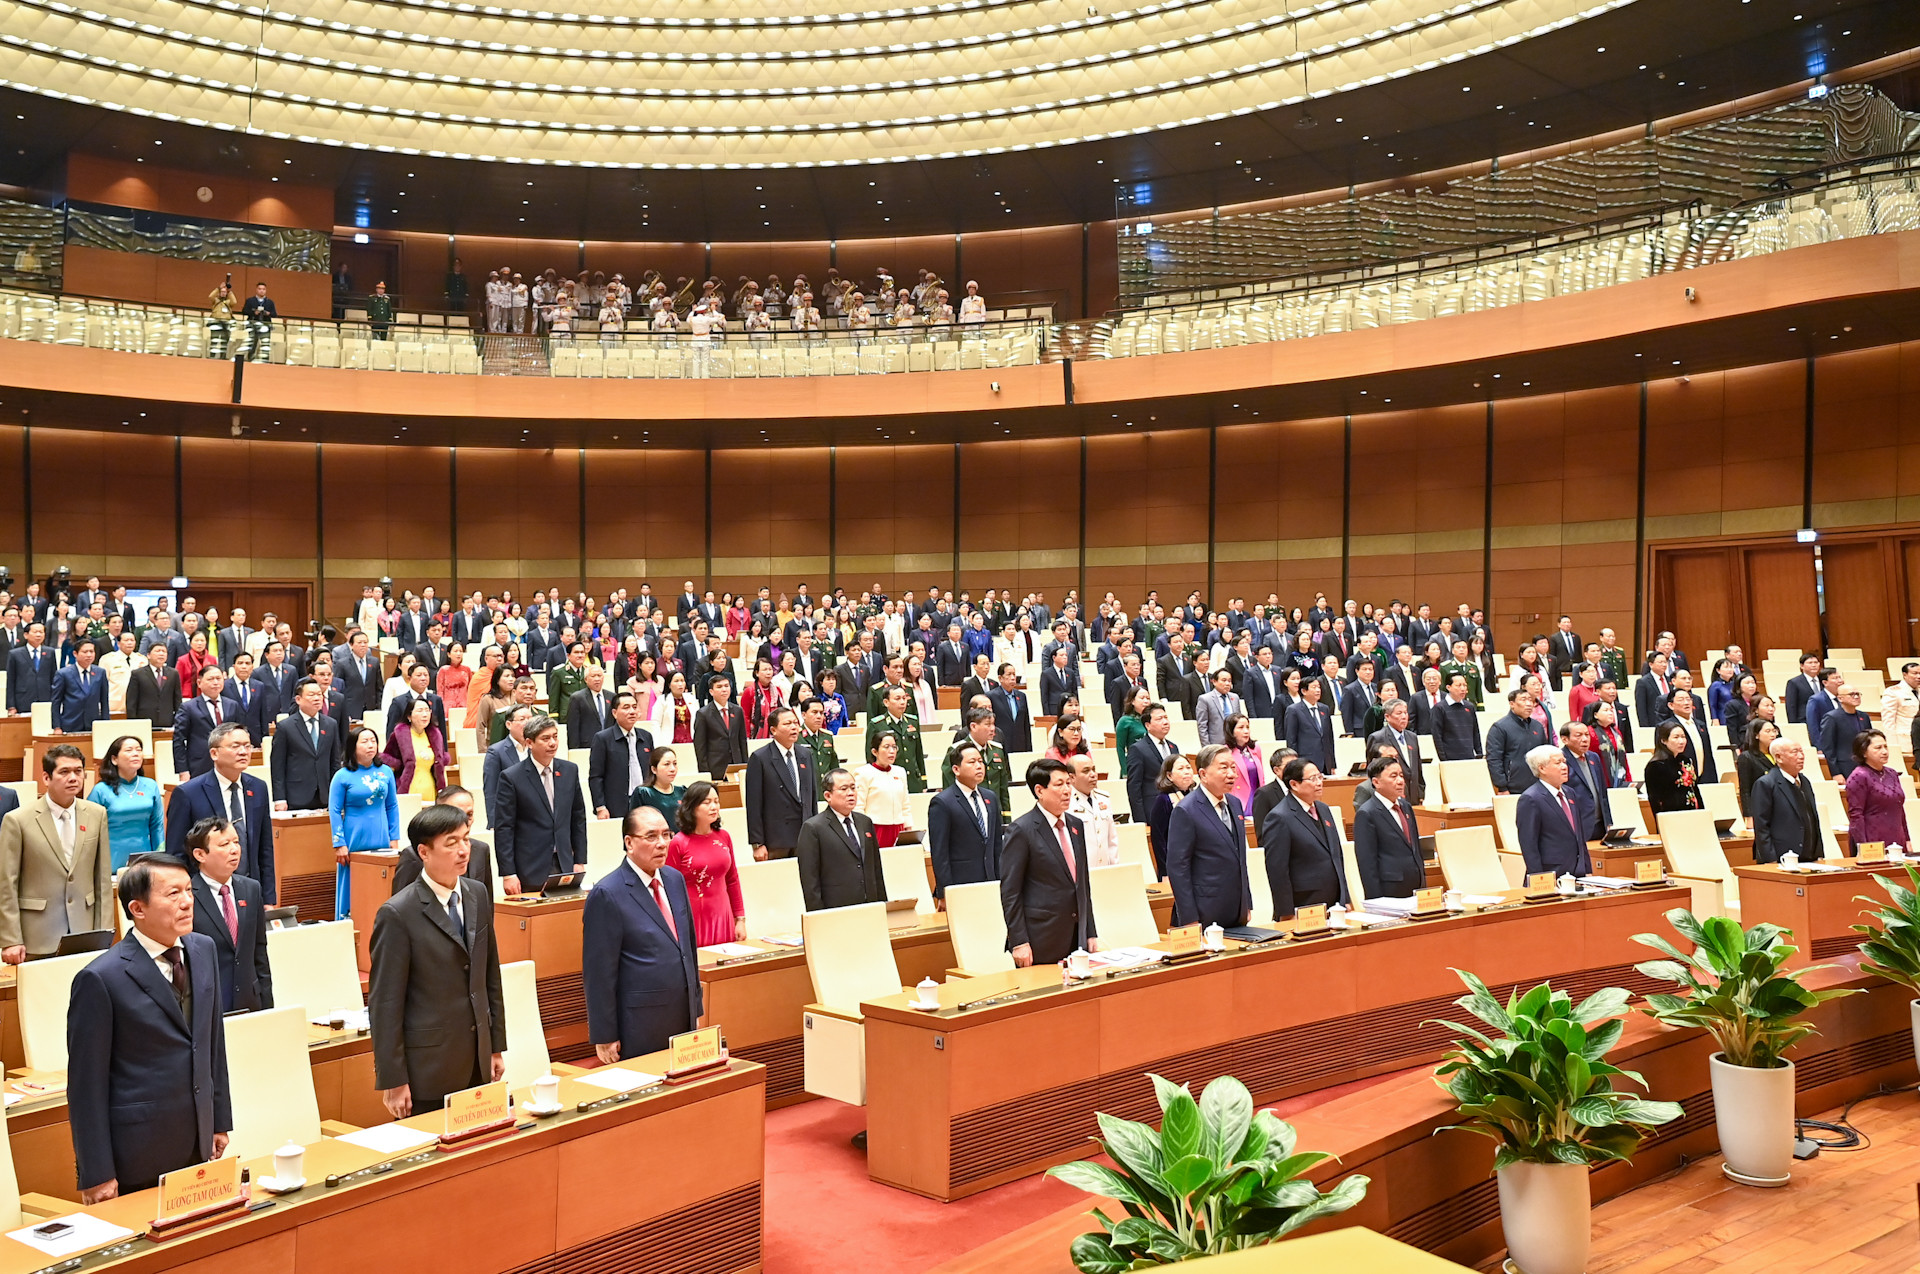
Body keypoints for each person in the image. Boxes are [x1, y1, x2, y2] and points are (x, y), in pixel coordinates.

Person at [67, 853, 232, 1202]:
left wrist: (219, 1119)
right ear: (137, 909)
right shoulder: (100, 978)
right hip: (137, 1152)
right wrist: (97, 1171)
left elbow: (212, 1043)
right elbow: (86, 1087)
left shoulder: (203, 950)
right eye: (173, 894)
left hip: (199, 1141)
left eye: (189, 890)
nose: (188, 902)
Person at [368, 804, 506, 1117]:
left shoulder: (477, 894)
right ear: (424, 852)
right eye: (451, 842)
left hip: (477, 1058)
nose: (463, 850)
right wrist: (393, 1079)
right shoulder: (398, 914)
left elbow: (489, 976)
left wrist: (495, 1045)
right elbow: (385, 1003)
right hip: (427, 1069)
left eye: (466, 839)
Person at [584, 805, 702, 1063]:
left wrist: (696, 1003)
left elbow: (687, 946)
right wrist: (604, 1034)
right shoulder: (607, 893)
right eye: (651, 836)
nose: (662, 844)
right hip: (639, 1023)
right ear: (629, 843)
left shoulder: (674, 879)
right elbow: (599, 973)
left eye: (666, 835)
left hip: (682, 1015)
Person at [0, 744, 110, 962]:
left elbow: (103, 880)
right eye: (64, 772)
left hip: (84, 930)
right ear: (46, 778)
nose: (73, 778)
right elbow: (7, 884)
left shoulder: (97, 815)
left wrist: (104, 932)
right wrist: (11, 939)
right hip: (37, 934)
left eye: (78, 771)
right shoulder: (18, 820)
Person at [1000, 759, 1096, 966]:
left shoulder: (1076, 825)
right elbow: (1011, 892)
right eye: (1059, 784)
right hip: (1040, 937)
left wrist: (1090, 932)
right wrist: (1019, 941)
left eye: (1068, 783)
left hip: (1076, 936)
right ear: (1039, 790)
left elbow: (1082, 885)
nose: (1067, 790)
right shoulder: (1021, 830)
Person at [164, 722, 274, 900]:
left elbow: (265, 847)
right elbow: (176, 855)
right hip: (204, 895)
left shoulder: (258, 787)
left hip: (250, 890)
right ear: (214, 753)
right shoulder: (187, 793)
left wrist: (268, 898)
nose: (244, 752)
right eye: (235, 746)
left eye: (247, 746)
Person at [185, 818, 273, 1013]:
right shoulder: (187, 895)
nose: (234, 850)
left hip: (251, 1002)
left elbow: (259, 951)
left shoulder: (251, 889)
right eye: (224, 844)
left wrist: (268, 1007)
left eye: (236, 842)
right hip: (209, 1006)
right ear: (200, 854)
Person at [494, 715, 589, 895]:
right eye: (545, 739)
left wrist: (580, 860)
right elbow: (504, 828)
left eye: (555, 736)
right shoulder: (512, 777)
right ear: (530, 743)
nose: (552, 743)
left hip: (565, 863)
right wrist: (508, 873)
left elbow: (578, 818)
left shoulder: (570, 770)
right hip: (530, 867)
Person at [1166, 744, 1253, 928]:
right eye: (1224, 768)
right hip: (1205, 911)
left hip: (1237, 909)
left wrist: (1247, 902)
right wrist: (1189, 917)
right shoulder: (1186, 810)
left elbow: (1240, 859)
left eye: (1233, 767)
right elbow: (1178, 867)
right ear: (1203, 774)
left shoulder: (1235, 804)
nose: (1231, 774)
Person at [331, 725, 402, 915]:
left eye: (373, 741)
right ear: (353, 746)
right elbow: (335, 810)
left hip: (380, 833)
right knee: (353, 879)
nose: (370, 745)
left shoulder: (386, 772)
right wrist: (339, 843)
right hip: (354, 836)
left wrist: (394, 837)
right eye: (365, 742)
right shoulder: (342, 776)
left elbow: (392, 806)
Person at [664, 781, 746, 944]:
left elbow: (732, 879)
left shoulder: (724, 837)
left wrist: (740, 919)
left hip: (723, 914)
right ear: (692, 807)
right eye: (707, 802)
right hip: (693, 917)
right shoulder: (678, 843)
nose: (714, 807)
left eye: (716, 801)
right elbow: (669, 887)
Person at [796, 768, 887, 912]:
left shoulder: (865, 822)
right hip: (836, 910)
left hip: (870, 906)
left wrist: (883, 906)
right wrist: (818, 916)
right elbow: (810, 881)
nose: (850, 793)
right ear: (827, 795)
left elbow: (876, 869)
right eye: (843, 789)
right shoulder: (813, 828)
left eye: (853, 788)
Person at [928, 741, 1003, 905]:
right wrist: (944, 892)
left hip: (991, 882)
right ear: (956, 769)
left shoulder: (990, 797)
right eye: (972, 762)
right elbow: (940, 852)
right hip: (961, 886)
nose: (979, 766)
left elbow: (997, 844)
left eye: (981, 761)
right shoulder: (942, 802)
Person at [744, 707, 817, 862]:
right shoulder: (760, 758)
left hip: (804, 835)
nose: (794, 727)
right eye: (787, 724)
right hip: (776, 839)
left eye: (796, 723)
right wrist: (758, 843)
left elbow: (811, 796)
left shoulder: (806, 755)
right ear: (773, 730)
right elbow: (754, 804)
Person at [1514, 745, 1592, 877]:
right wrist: (1540, 879)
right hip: (1551, 874)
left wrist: (1587, 869)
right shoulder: (1531, 798)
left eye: (1564, 762)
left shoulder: (1570, 793)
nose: (1564, 767)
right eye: (1558, 763)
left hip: (1578, 873)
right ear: (1542, 768)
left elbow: (1579, 835)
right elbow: (1529, 846)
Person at [1353, 755, 1423, 899]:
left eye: (1401, 775)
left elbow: (1415, 847)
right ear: (1376, 782)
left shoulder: (1406, 806)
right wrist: (1375, 900)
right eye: (1393, 776)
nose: (1400, 781)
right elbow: (1367, 863)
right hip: (1389, 890)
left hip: (1415, 885)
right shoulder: (1367, 813)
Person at [92, 734, 164, 871]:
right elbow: (91, 830)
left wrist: (160, 858)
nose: (135, 754)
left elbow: (157, 826)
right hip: (111, 858)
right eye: (129, 750)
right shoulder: (101, 790)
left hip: (144, 859)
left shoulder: (150, 785)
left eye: (139, 750)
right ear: (114, 759)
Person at [271, 677, 342, 811]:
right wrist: (280, 798)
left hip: (325, 795)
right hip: (296, 796)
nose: (317, 698)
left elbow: (335, 762)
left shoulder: (330, 724)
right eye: (311, 695)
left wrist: (338, 793)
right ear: (298, 700)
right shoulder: (285, 727)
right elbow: (278, 766)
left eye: (319, 694)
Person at [1749, 737, 1822, 864]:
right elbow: (1762, 827)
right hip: (1781, 858)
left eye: (1801, 751)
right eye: (1795, 752)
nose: (1801, 756)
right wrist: (1770, 860)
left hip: (1809, 857)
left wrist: (1819, 853)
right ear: (1779, 758)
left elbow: (1813, 819)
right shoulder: (1766, 784)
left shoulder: (1804, 781)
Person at [589, 691, 655, 825]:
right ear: (614, 713)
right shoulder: (602, 739)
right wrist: (600, 807)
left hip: (645, 801)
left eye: (634, 707)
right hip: (616, 804)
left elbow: (652, 771)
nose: (632, 711)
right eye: (626, 708)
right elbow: (596, 776)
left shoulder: (646, 736)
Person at [381, 695, 449, 803]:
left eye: (427, 710)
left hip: (431, 790)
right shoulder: (399, 735)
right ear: (409, 716)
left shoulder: (435, 735)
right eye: (420, 711)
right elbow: (387, 758)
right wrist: (399, 764)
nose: (425, 714)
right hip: (408, 790)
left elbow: (441, 761)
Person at [1843, 729, 1905, 847]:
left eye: (1885, 747)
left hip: (1897, 839)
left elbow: (1900, 809)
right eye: (1878, 748)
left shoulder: (1892, 773)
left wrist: (1907, 839)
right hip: (1873, 840)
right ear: (1863, 752)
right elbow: (1856, 815)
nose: (1885, 751)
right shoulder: (1859, 776)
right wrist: (1863, 846)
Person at [855, 730, 914, 847]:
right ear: (874, 751)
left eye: (894, 747)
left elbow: (905, 804)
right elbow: (859, 806)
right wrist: (863, 831)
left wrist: (908, 826)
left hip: (898, 827)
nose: (891, 751)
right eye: (886, 747)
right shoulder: (863, 773)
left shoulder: (900, 771)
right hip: (875, 828)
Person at [1486, 688, 1551, 794]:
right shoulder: (1500, 727)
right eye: (1523, 700)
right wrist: (1502, 787)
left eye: (1530, 700)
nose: (1529, 704)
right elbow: (1494, 759)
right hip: (1513, 787)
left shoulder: (1537, 726)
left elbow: (1544, 755)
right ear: (1512, 704)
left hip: (1539, 785)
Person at [1126, 703, 1182, 823]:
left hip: (1176, 808)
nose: (1165, 722)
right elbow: (1134, 788)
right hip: (1153, 810)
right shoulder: (1138, 749)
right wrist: (1140, 820)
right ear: (1148, 725)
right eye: (1159, 719)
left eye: (1166, 717)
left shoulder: (1173, 747)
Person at [49, 638, 109, 734]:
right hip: (70, 723)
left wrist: (106, 723)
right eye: (85, 652)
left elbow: (104, 701)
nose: (89, 655)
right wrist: (57, 726)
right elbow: (56, 702)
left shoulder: (100, 672)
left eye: (91, 651)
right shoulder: (63, 674)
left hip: (93, 724)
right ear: (75, 654)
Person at [692, 675, 747, 780]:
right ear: (711, 692)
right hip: (715, 767)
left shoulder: (737, 710)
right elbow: (700, 746)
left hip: (736, 766)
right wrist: (705, 773)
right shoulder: (703, 714)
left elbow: (742, 740)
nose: (724, 689)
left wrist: (745, 765)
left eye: (726, 686)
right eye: (719, 687)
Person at [1643, 723, 1703, 815]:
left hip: (1693, 812)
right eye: (1676, 737)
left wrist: (1702, 812)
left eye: (1683, 737)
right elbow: (1654, 800)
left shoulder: (1686, 761)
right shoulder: (1655, 766)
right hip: (1671, 816)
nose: (1681, 741)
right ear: (1663, 740)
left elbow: (1695, 789)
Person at [1818, 684, 1871, 781]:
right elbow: (1828, 748)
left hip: (1865, 765)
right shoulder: (1832, 718)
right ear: (1840, 698)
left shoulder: (1864, 716)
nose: (1856, 697)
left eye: (1857, 694)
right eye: (1851, 694)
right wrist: (1836, 772)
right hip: (1845, 766)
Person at [1284, 676, 1335, 775]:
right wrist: (1295, 764)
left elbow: (1329, 738)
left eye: (1319, 687)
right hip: (1305, 762)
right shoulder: (1294, 710)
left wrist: (1332, 764)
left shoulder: (1324, 709)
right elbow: (1291, 740)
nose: (1318, 690)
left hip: (1325, 762)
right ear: (1304, 691)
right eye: (1314, 687)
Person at [126, 640, 183, 726]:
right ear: (148, 655)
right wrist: (133, 723)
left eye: (164, 651)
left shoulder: (173, 673)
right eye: (157, 651)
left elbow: (177, 700)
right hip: (144, 721)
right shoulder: (137, 674)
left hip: (167, 721)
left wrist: (177, 721)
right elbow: (131, 702)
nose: (161, 654)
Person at [632, 745, 687, 827]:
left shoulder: (682, 791)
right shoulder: (643, 793)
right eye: (666, 764)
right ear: (654, 769)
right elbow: (633, 824)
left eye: (675, 764)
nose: (672, 769)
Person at [1736, 718, 1779, 812]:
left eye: (1774, 731)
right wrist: (1749, 815)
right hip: (1761, 806)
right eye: (1768, 731)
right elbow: (1745, 790)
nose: (1773, 735)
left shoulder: (1778, 754)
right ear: (1756, 735)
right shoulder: (1747, 757)